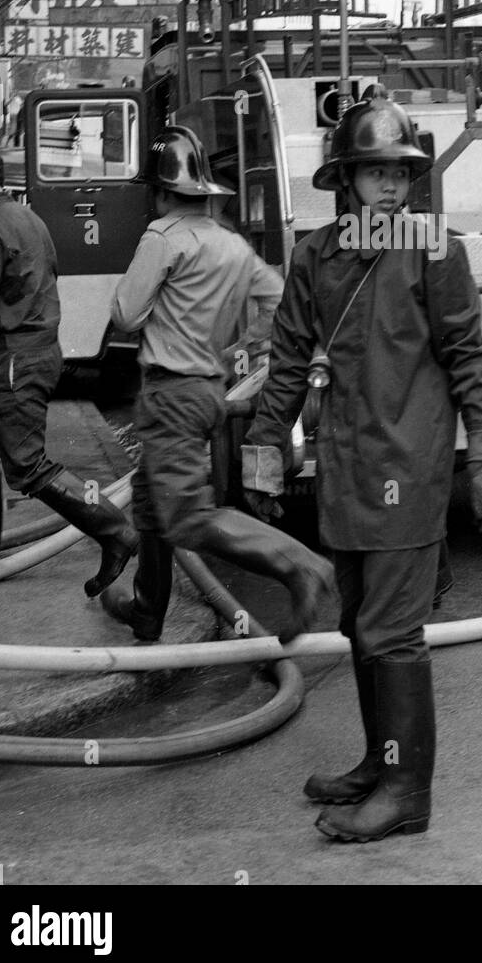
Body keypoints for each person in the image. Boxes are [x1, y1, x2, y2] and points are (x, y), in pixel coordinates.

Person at [243, 96, 482, 843]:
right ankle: (377, 762)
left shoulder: (436, 250)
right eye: (373, 173)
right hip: (345, 470)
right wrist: (264, 453)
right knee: (362, 624)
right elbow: (289, 358)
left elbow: (468, 355)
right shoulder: (316, 257)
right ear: (345, 180)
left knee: (391, 632)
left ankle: (404, 793)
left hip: (410, 468)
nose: (388, 187)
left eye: (398, 173)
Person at [101, 126, 334, 645]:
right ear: (204, 192)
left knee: (186, 517)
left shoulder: (161, 238)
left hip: (171, 395)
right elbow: (282, 301)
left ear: (161, 193)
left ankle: (301, 565)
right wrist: (237, 346)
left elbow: (125, 315)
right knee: (149, 501)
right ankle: (147, 609)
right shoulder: (232, 246)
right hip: (209, 393)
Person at [0, 128, 138, 592]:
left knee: (27, 465)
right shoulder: (28, 218)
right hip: (35, 353)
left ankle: (115, 532)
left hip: (15, 358)